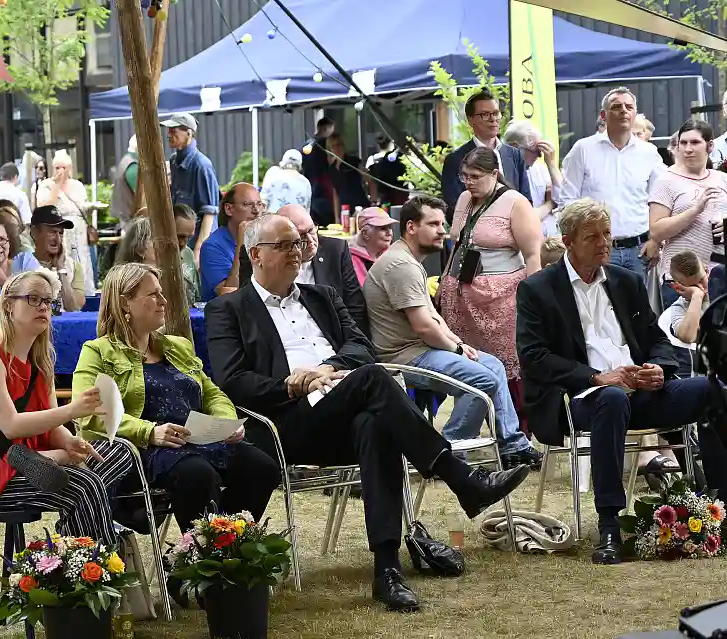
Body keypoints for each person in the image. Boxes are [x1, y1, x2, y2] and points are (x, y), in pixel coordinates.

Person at [206, 214, 530, 611]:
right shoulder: (228, 309)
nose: (299, 250)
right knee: (375, 381)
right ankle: (460, 477)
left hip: (345, 408)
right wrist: (293, 383)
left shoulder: (321, 296)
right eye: (287, 244)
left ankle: (387, 570)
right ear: (256, 254)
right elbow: (232, 379)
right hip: (286, 422)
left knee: (375, 424)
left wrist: (327, 368)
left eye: (299, 243)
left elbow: (361, 347)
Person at [516, 198, 719, 564]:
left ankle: (718, 503)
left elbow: (656, 339)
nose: (604, 243)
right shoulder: (538, 289)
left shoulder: (626, 281)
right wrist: (596, 376)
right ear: (567, 241)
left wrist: (659, 367)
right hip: (579, 397)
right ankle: (610, 524)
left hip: (637, 391)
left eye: (607, 234)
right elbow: (534, 357)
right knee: (610, 397)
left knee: (712, 389)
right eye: (592, 237)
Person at [74, 262, 279, 543]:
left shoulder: (176, 346)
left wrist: (225, 421)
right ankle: (196, 561)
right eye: (153, 295)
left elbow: (212, 393)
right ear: (125, 303)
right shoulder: (98, 352)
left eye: (162, 293)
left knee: (262, 468)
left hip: (199, 438)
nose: (164, 301)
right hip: (147, 448)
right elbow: (90, 414)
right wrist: (149, 431)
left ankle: (228, 548)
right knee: (198, 474)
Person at [0, 269, 132, 542]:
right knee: (84, 485)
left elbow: (51, 423)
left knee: (118, 454)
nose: (44, 307)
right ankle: (94, 562)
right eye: (34, 299)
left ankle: (70, 551)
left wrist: (69, 441)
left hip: (26, 455)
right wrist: (71, 410)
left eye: (49, 301)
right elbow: (10, 425)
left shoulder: (40, 360)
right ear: (9, 305)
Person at [363, 196, 542, 469]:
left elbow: (434, 318)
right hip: (403, 357)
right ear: (411, 227)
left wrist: (458, 344)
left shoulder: (409, 261)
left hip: (421, 349)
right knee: (483, 379)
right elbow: (423, 326)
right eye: (433, 224)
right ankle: (445, 454)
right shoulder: (401, 265)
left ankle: (513, 445)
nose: (442, 231)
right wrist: (457, 349)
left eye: (442, 223)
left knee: (492, 364)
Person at [439, 148, 543, 426]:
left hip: (504, 299)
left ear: (494, 174)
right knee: (472, 364)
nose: (468, 182)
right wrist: (443, 284)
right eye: (464, 177)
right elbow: (458, 243)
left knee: (510, 365)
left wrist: (534, 300)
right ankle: (481, 425)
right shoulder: (464, 199)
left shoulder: (516, 202)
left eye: (475, 176)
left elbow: (533, 255)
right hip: (461, 295)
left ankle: (518, 431)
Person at [558, 87, 665, 281]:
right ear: (603, 115)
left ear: (634, 114)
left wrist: (656, 240)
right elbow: (567, 201)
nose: (623, 110)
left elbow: (660, 201)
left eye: (629, 107)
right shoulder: (583, 149)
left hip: (639, 251)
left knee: (636, 309)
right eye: (616, 106)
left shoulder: (649, 153)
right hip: (596, 249)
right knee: (600, 307)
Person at [238, 204, 370, 337]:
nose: (311, 241)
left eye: (312, 230)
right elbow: (247, 306)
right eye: (301, 236)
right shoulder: (262, 256)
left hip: (334, 340)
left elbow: (355, 307)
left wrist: (357, 348)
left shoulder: (336, 250)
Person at [648, 119, 727, 310]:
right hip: (682, 278)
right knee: (684, 338)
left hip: (719, 273)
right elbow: (657, 231)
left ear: (710, 145)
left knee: (718, 338)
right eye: (683, 143)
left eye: (695, 142)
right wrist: (694, 211)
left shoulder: (722, 178)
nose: (688, 149)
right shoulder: (666, 181)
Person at [441, 89, 531, 221]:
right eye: (485, 114)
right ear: (470, 120)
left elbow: (527, 200)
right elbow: (453, 210)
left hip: (516, 232)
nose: (493, 119)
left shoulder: (514, 154)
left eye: (496, 113)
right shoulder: (456, 160)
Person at [35, 150, 96, 296]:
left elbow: (82, 206)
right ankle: (63, 294)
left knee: (82, 260)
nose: (60, 171)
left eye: (64, 167)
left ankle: (84, 293)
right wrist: (57, 185)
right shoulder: (46, 185)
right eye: (57, 167)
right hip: (59, 229)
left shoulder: (77, 185)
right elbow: (43, 206)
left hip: (78, 230)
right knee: (62, 260)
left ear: (69, 168)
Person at [162, 112, 220, 260]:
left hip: (198, 243)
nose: (168, 134)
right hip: (180, 242)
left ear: (189, 133)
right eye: (168, 130)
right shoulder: (174, 161)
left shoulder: (201, 165)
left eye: (173, 131)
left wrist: (199, 250)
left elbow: (210, 212)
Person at [200, 183, 264, 303]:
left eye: (259, 204)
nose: (256, 211)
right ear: (229, 209)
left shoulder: (264, 240)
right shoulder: (212, 247)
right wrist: (241, 246)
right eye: (247, 204)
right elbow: (229, 295)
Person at [503, 120, 564, 238]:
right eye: (536, 151)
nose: (540, 156)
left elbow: (563, 200)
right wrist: (549, 204)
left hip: (551, 243)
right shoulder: (503, 174)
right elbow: (525, 219)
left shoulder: (539, 170)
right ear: (516, 148)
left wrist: (551, 165)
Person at [30, 205, 87, 313]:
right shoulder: (22, 264)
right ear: (34, 233)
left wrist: (61, 269)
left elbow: (74, 308)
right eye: (52, 232)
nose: (57, 239)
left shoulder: (74, 267)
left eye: (60, 233)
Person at [348, 206, 398, 286]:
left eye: (390, 228)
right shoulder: (350, 261)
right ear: (365, 234)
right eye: (383, 228)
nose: (389, 233)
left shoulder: (392, 255)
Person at [326, 133, 370, 222]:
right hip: (345, 209)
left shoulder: (354, 161)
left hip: (359, 205)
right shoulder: (332, 168)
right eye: (333, 146)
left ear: (343, 146)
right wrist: (337, 217)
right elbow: (335, 192)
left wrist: (373, 201)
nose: (336, 149)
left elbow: (369, 179)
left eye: (338, 145)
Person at [302, 117, 336, 226]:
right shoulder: (324, 144)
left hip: (310, 187)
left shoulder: (306, 145)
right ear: (326, 128)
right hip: (324, 188)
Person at [260, 149, 311, 214]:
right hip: (294, 222)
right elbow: (306, 211)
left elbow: (264, 200)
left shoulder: (273, 173)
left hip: (272, 220)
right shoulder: (305, 182)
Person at [366, 134, 410, 207]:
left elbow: (370, 179)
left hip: (385, 196)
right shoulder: (400, 159)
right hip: (397, 196)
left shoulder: (373, 159)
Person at [174, 204, 201, 306]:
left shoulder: (188, 253)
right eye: (180, 236)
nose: (183, 243)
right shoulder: (153, 256)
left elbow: (196, 294)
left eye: (189, 238)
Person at [111, 135, 139, 227]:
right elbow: (142, 195)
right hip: (131, 220)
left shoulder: (126, 160)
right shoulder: (133, 165)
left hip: (126, 218)